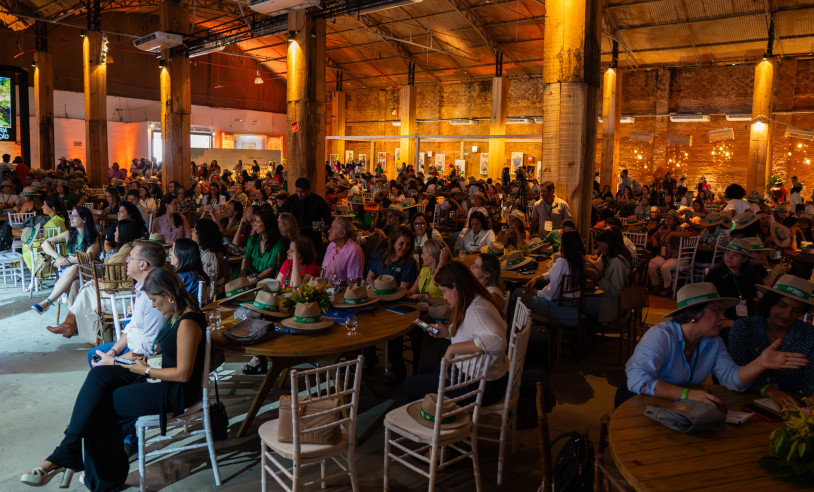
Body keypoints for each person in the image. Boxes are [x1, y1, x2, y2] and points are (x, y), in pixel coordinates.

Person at [20, 266, 205, 491]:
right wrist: (143, 358)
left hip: (175, 391)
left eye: (154, 300)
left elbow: (183, 374)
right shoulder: (176, 315)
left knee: (102, 405)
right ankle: (71, 453)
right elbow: (168, 348)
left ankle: (88, 469)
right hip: (160, 378)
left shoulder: (188, 322)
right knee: (101, 374)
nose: (154, 305)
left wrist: (145, 370)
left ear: (168, 294)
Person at [619, 282, 808, 408]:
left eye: (723, 311)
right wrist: (687, 394)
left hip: (675, 404)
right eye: (716, 310)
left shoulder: (712, 341)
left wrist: (760, 363)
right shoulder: (661, 335)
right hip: (637, 399)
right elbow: (638, 380)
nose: (723, 317)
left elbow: (731, 379)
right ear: (693, 313)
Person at [402, 262, 509, 407]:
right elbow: (473, 335)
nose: (444, 297)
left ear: (456, 286)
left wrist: (452, 349)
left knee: (409, 386)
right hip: (486, 377)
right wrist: (447, 333)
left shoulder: (476, 310)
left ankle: (433, 424)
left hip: (480, 386)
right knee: (424, 371)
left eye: (444, 291)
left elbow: (497, 342)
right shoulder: (476, 298)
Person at [728, 275, 814, 408]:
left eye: (796, 311)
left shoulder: (809, 335)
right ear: (769, 302)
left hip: (790, 404)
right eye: (782, 305)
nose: (786, 314)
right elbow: (735, 372)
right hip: (742, 399)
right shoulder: (744, 327)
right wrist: (769, 390)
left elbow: (811, 384)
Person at [46, 219, 141, 340]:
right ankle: (70, 324)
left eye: (116, 231)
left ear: (123, 233)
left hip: (123, 300)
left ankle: (71, 324)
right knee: (88, 286)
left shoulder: (118, 258)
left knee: (87, 293)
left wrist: (100, 282)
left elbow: (109, 289)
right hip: (130, 295)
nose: (114, 234)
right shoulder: (133, 247)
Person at [505, 230, 586, 328]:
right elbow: (553, 272)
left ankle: (510, 331)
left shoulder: (562, 263)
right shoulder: (580, 263)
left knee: (516, 293)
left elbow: (551, 296)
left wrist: (534, 292)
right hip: (572, 306)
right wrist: (538, 277)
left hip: (555, 308)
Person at [31, 207, 101, 314]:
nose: (71, 218)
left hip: (90, 271)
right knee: (74, 283)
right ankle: (72, 319)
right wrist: (58, 257)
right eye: (71, 215)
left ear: (84, 219)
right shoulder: (70, 234)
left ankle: (48, 302)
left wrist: (66, 261)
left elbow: (87, 257)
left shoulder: (94, 236)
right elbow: (45, 243)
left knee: (75, 267)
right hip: (71, 272)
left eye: (74, 216)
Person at [703, 237, 763, 328]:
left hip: (748, 319)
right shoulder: (715, 274)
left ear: (745, 259)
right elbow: (707, 302)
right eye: (728, 253)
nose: (729, 257)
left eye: (735, 255)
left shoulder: (752, 274)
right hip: (723, 319)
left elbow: (761, 294)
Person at [585, 228, 631, 325]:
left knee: (581, 302)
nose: (599, 248)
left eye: (600, 245)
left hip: (612, 306)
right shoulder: (617, 257)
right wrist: (598, 275)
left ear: (608, 243)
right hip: (613, 302)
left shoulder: (616, 263)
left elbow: (616, 291)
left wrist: (600, 279)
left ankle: (587, 334)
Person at [279, 178, 333, 254]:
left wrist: (313, 227)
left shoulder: (318, 201)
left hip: (312, 238)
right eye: (297, 191)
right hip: (293, 237)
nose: (299, 195)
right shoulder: (291, 200)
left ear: (309, 190)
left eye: (302, 192)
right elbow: (281, 216)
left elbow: (327, 221)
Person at [22, 194, 68, 281]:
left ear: (53, 208)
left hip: (54, 252)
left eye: (45, 205)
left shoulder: (50, 224)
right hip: (63, 249)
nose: (42, 207)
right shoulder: (61, 219)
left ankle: (35, 277)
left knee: (26, 248)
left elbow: (48, 242)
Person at [647, 210, 692, 296]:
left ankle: (667, 288)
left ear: (675, 221)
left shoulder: (679, 229)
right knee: (649, 265)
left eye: (670, 218)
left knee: (665, 268)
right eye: (667, 218)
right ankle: (656, 285)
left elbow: (687, 235)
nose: (668, 220)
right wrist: (654, 241)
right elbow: (653, 236)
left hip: (678, 257)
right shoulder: (662, 229)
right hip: (665, 256)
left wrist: (672, 234)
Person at [240, 209, 285, 284]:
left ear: (267, 224)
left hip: (266, 282)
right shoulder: (253, 239)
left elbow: (271, 268)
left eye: (257, 222)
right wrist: (243, 273)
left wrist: (256, 279)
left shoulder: (278, 244)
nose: (254, 225)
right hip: (250, 278)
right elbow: (246, 258)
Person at [322, 216, 365, 284]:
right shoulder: (331, 245)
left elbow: (353, 283)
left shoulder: (354, 251)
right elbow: (324, 270)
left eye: (333, 228)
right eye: (331, 227)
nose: (329, 231)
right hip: (326, 290)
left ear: (342, 233)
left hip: (341, 293)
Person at [192, 218, 228, 297]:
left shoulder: (209, 256)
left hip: (210, 296)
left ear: (200, 235)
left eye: (194, 231)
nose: (192, 233)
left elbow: (208, 284)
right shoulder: (208, 252)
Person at [408, 238, 451, 302]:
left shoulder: (447, 274)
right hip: (423, 307)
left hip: (440, 309)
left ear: (432, 257)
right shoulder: (425, 270)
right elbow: (412, 291)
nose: (421, 256)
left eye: (423, 253)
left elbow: (450, 301)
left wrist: (442, 261)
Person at [170, 238, 210, 302]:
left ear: (182, 254)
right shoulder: (195, 274)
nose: (170, 253)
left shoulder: (182, 278)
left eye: (172, 250)